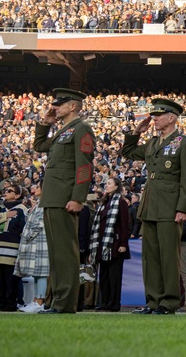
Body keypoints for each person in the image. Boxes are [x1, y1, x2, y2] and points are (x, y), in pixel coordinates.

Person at [123, 97, 186, 315]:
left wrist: (183, 208)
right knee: (150, 257)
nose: (153, 119)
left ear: (172, 117)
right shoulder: (153, 143)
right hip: (150, 206)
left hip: (169, 206)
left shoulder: (184, 143)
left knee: (167, 256)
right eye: (153, 115)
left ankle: (169, 302)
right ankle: (153, 301)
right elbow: (127, 153)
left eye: (158, 115)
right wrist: (136, 132)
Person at [33, 88, 96, 315]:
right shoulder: (64, 130)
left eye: (60, 104)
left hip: (65, 199)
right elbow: (39, 146)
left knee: (65, 253)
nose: (55, 107)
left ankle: (65, 303)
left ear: (73, 106)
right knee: (56, 253)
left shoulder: (81, 129)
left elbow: (84, 166)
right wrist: (46, 123)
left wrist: (78, 198)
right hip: (53, 197)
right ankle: (57, 301)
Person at [90, 176, 130, 312]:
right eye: (106, 184)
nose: (106, 186)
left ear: (116, 186)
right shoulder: (103, 203)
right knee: (104, 276)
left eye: (109, 183)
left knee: (114, 277)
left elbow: (125, 225)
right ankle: (104, 303)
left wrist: (123, 243)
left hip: (115, 244)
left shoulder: (121, 202)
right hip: (102, 245)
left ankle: (113, 304)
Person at [0, 185, 27, 312]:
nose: (6, 192)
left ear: (17, 195)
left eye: (10, 191)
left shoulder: (22, 210)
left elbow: (24, 229)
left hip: (12, 249)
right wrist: (5, 216)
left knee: (11, 279)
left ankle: (11, 304)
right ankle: (1, 303)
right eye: (5, 191)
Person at [15, 184, 50, 313]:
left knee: (41, 274)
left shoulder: (43, 204)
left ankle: (40, 302)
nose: (34, 189)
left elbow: (39, 223)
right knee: (37, 274)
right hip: (37, 243)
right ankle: (36, 300)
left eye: (38, 187)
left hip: (40, 243)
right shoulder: (40, 203)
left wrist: (28, 236)